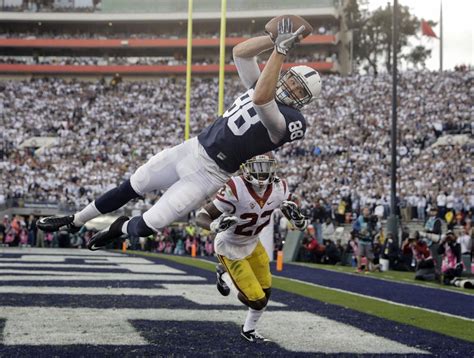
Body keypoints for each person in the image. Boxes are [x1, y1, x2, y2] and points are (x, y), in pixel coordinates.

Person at [35, 18, 321, 250]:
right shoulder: (261, 82)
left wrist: (280, 52)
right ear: (286, 76)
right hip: (192, 149)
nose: (292, 89)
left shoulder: (290, 121)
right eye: (293, 82)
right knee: (133, 184)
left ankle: (118, 228)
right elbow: (240, 53)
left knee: (151, 224)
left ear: (303, 102)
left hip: (210, 174)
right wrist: (273, 41)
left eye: (299, 92)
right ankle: (75, 220)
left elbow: (261, 100)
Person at [195, 155, 308, 343]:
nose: (261, 173)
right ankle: (224, 275)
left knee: (266, 292)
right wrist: (214, 226)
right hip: (230, 247)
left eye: (265, 167)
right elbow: (202, 215)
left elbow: (297, 221)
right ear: (246, 168)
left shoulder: (280, 188)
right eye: (257, 167)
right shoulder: (235, 187)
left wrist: (299, 221)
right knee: (256, 300)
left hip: (254, 242)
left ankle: (248, 330)